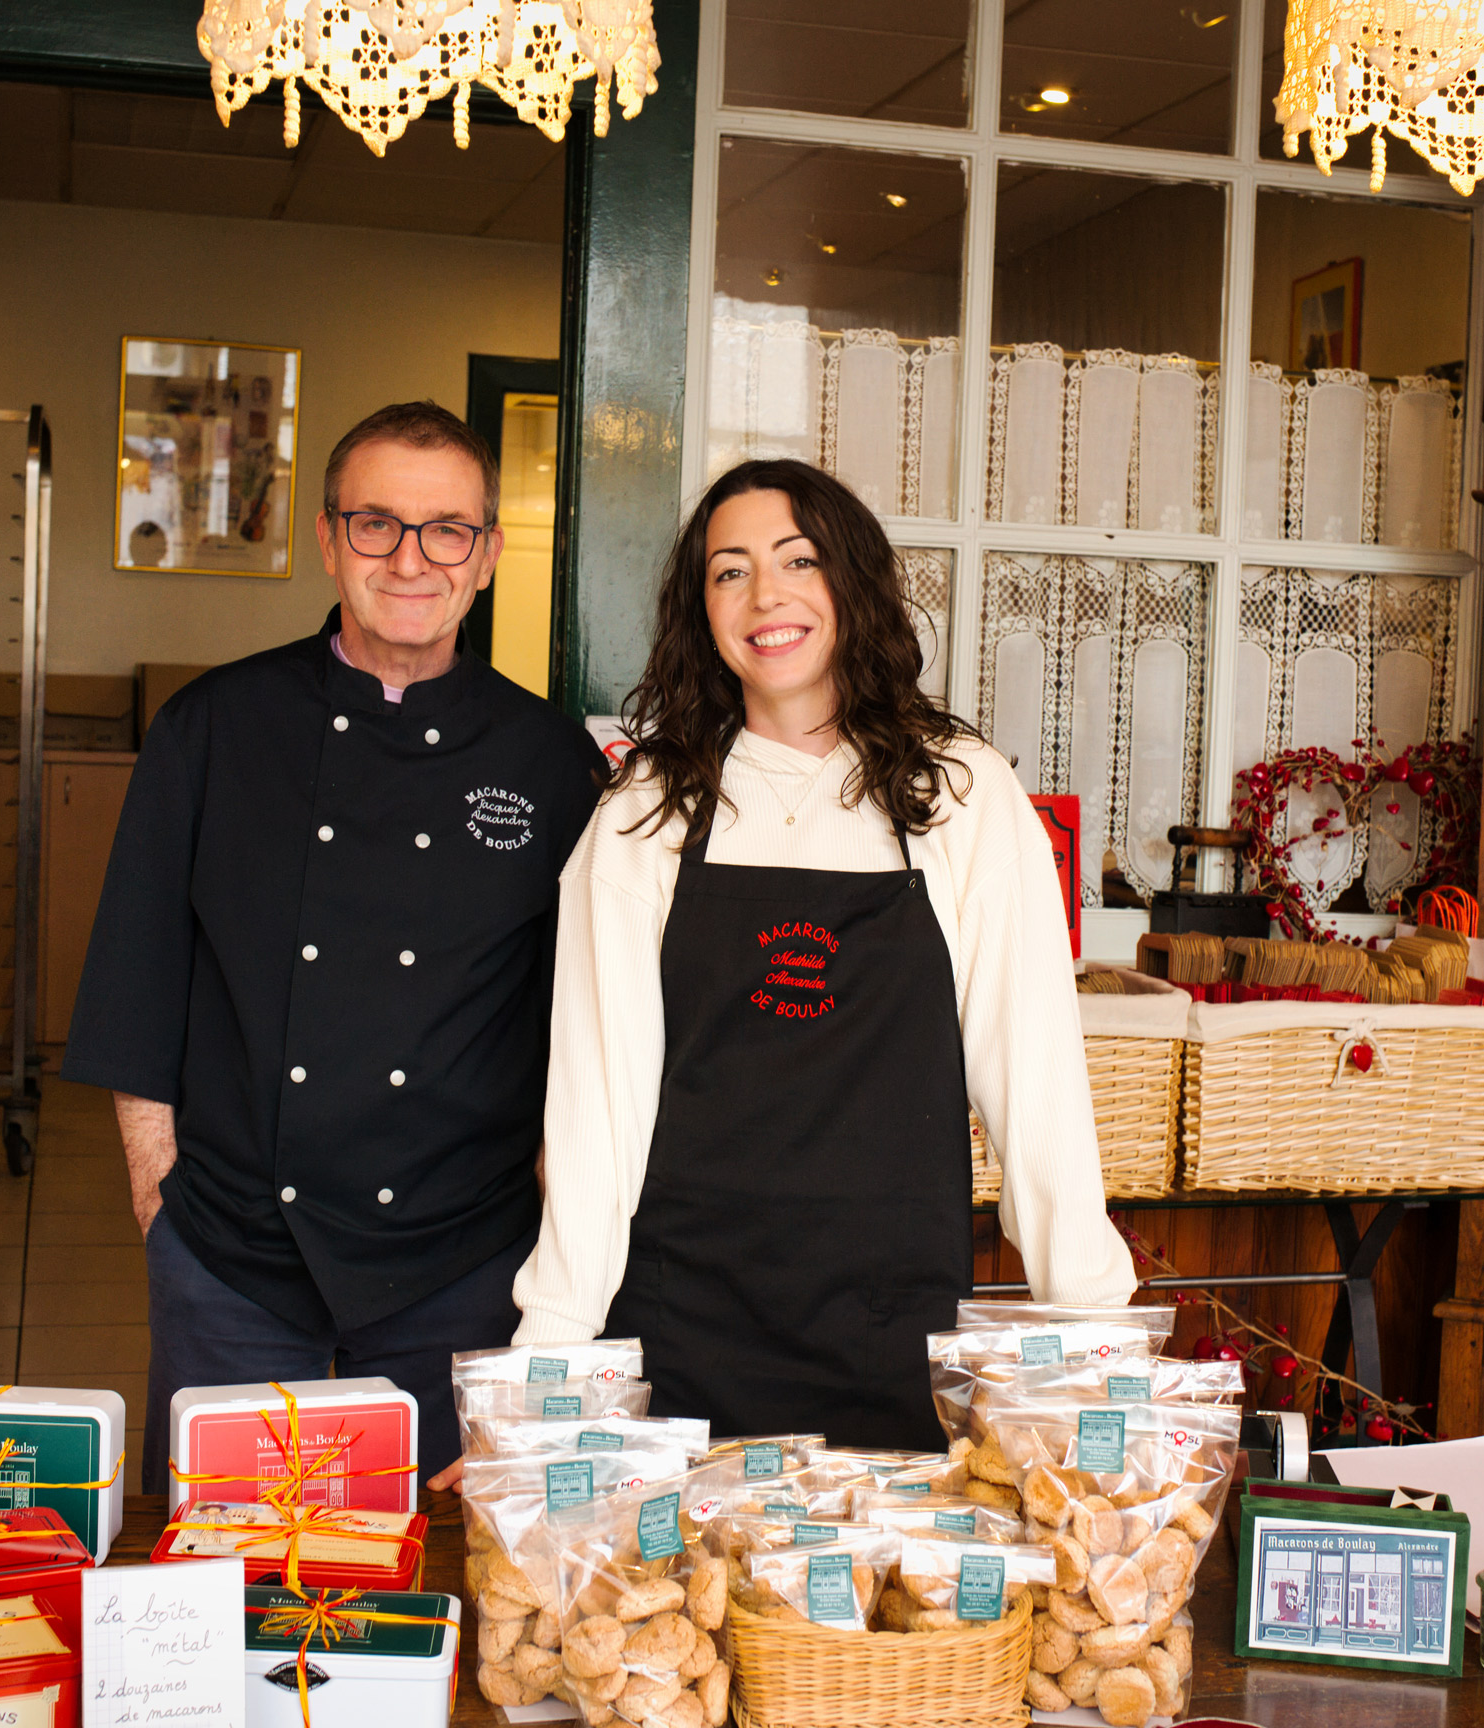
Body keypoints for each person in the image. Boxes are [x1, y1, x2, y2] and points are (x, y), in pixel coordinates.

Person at [507, 457, 1136, 1449]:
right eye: (729, 570)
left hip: (892, 1326)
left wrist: (1097, 1335)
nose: (766, 596)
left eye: (798, 561)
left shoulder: (959, 794)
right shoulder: (646, 812)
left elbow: (1038, 1084)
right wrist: (547, 1364)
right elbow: (597, 1112)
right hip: (682, 1326)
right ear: (698, 607)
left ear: (852, 583)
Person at [65, 400, 606, 1492]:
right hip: (234, 1265)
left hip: (464, 1271)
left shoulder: (552, 762)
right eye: (377, 524)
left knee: (438, 1593)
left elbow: (576, 1034)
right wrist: (160, 1203)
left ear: (490, 554)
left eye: (447, 528)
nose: (412, 559)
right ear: (328, 538)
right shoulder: (214, 727)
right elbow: (137, 979)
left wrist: (560, 1270)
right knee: (231, 1578)